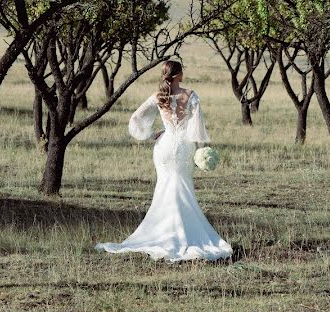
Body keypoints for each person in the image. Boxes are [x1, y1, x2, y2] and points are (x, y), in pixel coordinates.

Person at [95, 59, 233, 262]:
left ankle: (163, 232)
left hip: (164, 146)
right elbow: (198, 128)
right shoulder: (191, 96)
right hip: (185, 147)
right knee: (182, 187)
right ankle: (182, 233)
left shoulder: (158, 96)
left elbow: (135, 120)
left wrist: (151, 135)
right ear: (178, 74)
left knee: (165, 187)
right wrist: (202, 150)